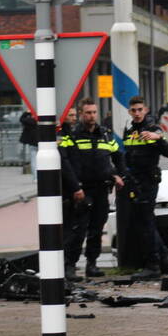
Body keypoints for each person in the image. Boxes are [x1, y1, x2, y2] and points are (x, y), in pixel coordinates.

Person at [59, 98, 125, 280]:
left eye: (94, 112)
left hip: (101, 189)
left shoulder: (104, 134)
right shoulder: (71, 136)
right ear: (81, 114)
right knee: (78, 230)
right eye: (88, 113)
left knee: (96, 229)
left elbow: (117, 156)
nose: (92, 116)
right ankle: (70, 266)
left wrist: (118, 175)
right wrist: (74, 187)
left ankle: (92, 265)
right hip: (82, 190)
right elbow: (65, 164)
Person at [122, 96, 168, 280]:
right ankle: (165, 260)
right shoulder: (129, 131)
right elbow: (127, 156)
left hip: (148, 181)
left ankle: (153, 265)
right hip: (134, 182)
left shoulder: (154, 129)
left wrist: (158, 138)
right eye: (133, 110)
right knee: (145, 222)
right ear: (130, 112)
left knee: (146, 223)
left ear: (145, 110)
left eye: (139, 110)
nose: (137, 113)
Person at [19, 110, 38, 181]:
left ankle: (36, 177)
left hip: (33, 144)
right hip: (43, 143)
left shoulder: (30, 121)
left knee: (34, 161)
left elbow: (21, 119)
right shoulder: (42, 121)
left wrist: (27, 112)